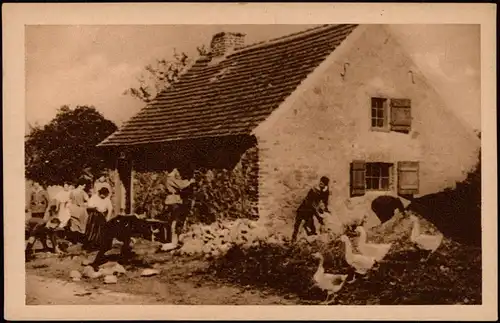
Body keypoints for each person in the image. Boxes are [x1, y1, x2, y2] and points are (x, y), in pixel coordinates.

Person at [291, 176, 330, 243]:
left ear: (325, 185)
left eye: (323, 183)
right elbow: (310, 203)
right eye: (320, 182)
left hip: (310, 211)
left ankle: (312, 241)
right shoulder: (313, 190)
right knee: (297, 224)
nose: (321, 183)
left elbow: (325, 201)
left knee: (312, 227)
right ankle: (293, 239)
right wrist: (318, 217)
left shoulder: (325, 191)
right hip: (304, 208)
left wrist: (325, 209)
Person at [162, 168, 195, 243]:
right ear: (173, 171)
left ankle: (171, 239)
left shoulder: (168, 178)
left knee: (173, 220)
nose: (178, 174)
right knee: (174, 220)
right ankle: (173, 240)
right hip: (173, 200)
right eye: (176, 172)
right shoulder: (171, 178)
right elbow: (181, 185)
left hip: (172, 199)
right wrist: (190, 181)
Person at [67, 179, 90, 243]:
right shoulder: (82, 192)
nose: (84, 187)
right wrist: (85, 204)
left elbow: (69, 200)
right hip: (81, 209)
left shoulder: (72, 191)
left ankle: (74, 240)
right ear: (80, 185)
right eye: (84, 186)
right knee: (82, 225)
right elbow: (88, 200)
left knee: (74, 225)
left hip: (73, 209)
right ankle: (81, 240)